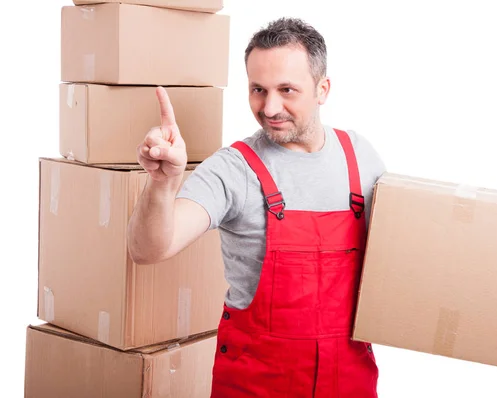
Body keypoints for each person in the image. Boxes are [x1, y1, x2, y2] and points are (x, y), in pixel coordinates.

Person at [127, 17, 386, 398]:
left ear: (322, 89)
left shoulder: (361, 159)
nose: (270, 107)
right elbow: (148, 250)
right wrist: (163, 182)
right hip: (257, 382)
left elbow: (397, 266)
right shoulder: (234, 168)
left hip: (347, 380)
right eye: (258, 90)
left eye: (287, 90)